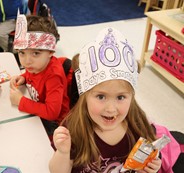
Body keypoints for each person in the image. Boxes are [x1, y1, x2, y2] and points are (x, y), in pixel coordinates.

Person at [49, 28, 163, 173]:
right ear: (85, 96)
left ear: (131, 97)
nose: (111, 108)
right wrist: (63, 153)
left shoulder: (139, 128)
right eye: (101, 97)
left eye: (120, 97)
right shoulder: (72, 128)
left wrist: (152, 169)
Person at [9, 13, 69, 141]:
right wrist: (24, 77)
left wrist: (21, 101)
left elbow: (52, 113)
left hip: (55, 124)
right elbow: (33, 74)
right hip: (37, 109)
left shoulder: (53, 76)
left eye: (36, 53)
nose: (27, 61)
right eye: (22, 53)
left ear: (51, 52)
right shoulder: (36, 65)